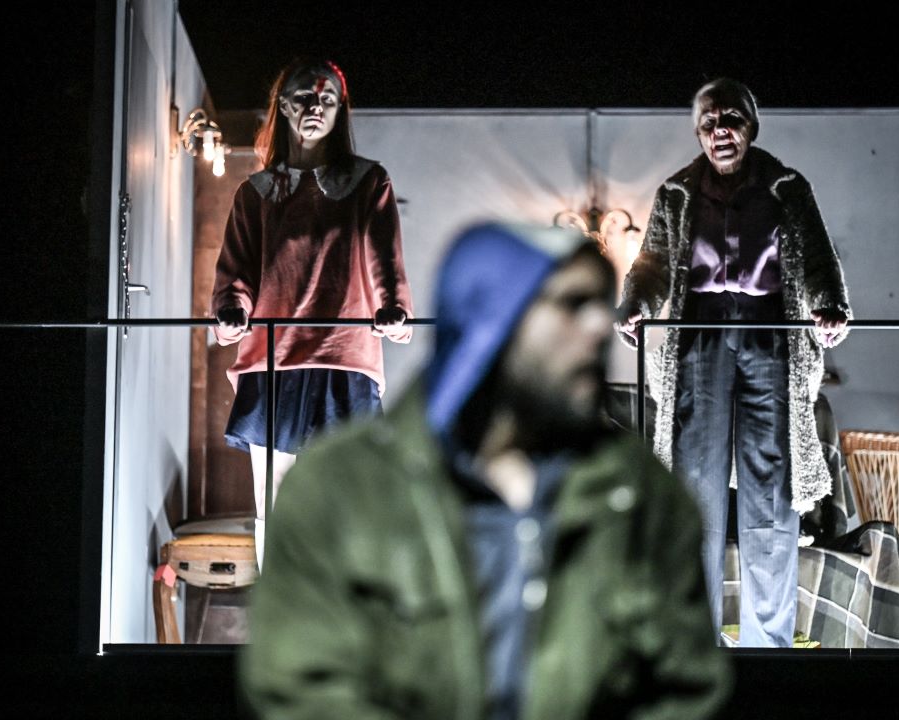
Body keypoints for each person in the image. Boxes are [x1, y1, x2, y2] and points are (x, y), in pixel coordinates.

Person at [240, 221, 732, 720]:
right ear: (492, 321)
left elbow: (688, 688)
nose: (599, 326)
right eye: (572, 303)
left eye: (601, 304)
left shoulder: (640, 494)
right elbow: (300, 686)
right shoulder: (340, 489)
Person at [616, 78, 852, 647]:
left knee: (769, 486)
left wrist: (829, 304)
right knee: (693, 485)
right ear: (697, 132)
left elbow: (818, 261)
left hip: (769, 333)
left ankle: (767, 647)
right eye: (709, 121)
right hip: (698, 334)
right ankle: (693, 642)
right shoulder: (676, 193)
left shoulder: (787, 188)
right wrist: (635, 304)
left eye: (732, 119)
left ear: (752, 125)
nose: (720, 130)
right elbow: (651, 265)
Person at [210, 56, 413, 569]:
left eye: (327, 99)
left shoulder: (368, 182)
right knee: (275, 502)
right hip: (274, 359)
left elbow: (383, 256)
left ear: (340, 109)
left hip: (344, 358)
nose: (315, 107)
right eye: (304, 97)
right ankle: (280, 605)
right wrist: (232, 308)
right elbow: (237, 271)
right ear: (283, 106)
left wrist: (392, 306)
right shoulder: (256, 193)